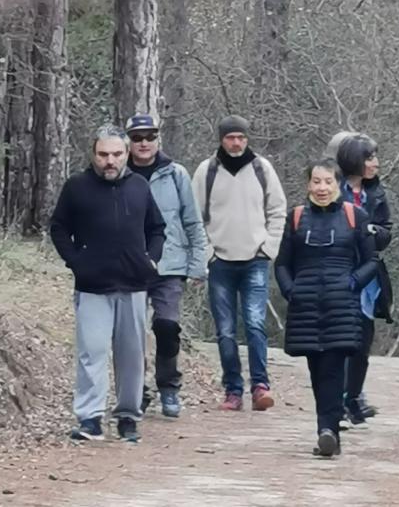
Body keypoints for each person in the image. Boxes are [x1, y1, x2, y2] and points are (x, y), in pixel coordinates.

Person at [49, 125, 166, 443]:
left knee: (131, 355)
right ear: (93, 154)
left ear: (126, 154)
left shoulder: (139, 186)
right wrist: (76, 261)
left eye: (116, 154)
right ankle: (90, 418)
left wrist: (151, 260)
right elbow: (58, 227)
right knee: (93, 352)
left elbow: (157, 228)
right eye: (103, 155)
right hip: (92, 286)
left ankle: (128, 416)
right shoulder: (77, 187)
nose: (109, 161)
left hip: (134, 284)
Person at [274, 158, 377, 457]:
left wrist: (353, 283)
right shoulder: (295, 218)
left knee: (333, 368)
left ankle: (327, 430)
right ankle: (328, 429)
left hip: (341, 306)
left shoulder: (354, 216)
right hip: (305, 306)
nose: (322, 188)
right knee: (317, 371)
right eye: (316, 181)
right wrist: (290, 290)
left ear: (338, 184)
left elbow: (372, 260)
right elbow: (282, 264)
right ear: (308, 184)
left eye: (328, 181)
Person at [192, 115, 288, 411]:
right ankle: (233, 390)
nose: (236, 143)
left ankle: (261, 386)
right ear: (221, 139)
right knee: (225, 330)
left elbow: (278, 210)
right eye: (231, 137)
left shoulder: (262, 168)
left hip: (255, 261)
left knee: (256, 324)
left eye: (241, 137)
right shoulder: (206, 171)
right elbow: (194, 217)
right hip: (220, 262)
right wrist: (208, 253)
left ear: (248, 139)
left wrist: (268, 248)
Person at [125, 114, 208, 418]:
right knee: (132, 332)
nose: (144, 143)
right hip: (129, 266)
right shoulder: (119, 174)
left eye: (149, 136)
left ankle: (169, 387)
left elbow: (192, 220)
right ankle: (136, 392)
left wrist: (198, 264)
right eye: (137, 138)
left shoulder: (176, 174)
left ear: (158, 139)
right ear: (129, 142)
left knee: (167, 325)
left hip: (170, 265)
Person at [332, 132, 394, 426]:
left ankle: (352, 398)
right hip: (337, 272)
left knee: (362, 341)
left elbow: (386, 233)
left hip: (368, 276)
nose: (375, 163)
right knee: (340, 339)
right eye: (370, 158)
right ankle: (338, 402)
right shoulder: (332, 188)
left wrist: (370, 231)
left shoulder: (376, 194)